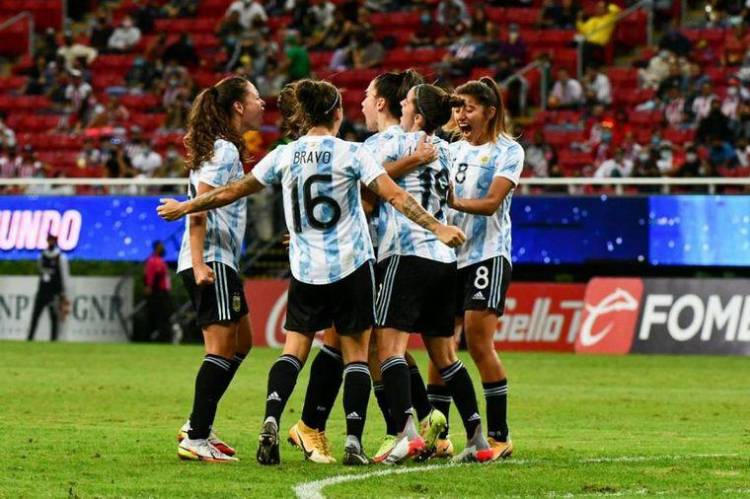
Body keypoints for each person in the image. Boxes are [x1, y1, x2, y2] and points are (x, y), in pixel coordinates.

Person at [157, 79, 466, 466]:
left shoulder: (286, 154)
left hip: (306, 269)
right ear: (337, 113)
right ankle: (354, 439)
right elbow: (395, 196)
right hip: (351, 265)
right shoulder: (352, 153)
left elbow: (231, 192)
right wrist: (437, 227)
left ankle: (271, 419)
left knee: (294, 351)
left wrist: (185, 207)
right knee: (356, 354)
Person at [372, 83, 497, 464]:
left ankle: (407, 432)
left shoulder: (396, 143)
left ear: (418, 115)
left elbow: (369, 182)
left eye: (407, 102)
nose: (401, 105)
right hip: (444, 261)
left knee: (388, 347)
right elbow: (447, 195)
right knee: (445, 355)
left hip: (405, 253)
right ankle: (478, 438)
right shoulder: (446, 150)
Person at [171, 76, 264, 463]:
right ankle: (196, 435)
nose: (263, 103)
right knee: (222, 347)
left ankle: (199, 424)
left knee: (243, 342)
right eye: (256, 97)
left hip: (220, 258)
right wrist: (198, 263)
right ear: (238, 106)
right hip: (210, 259)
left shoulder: (223, 148)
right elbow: (200, 205)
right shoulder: (224, 150)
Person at [439, 77, 523, 462]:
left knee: (476, 340)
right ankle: (437, 436)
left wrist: (452, 201)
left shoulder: (508, 151)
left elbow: (491, 203)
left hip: (486, 255)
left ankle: (500, 436)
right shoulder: (449, 150)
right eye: (457, 108)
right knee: (440, 343)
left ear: (489, 112)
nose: (461, 116)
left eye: (468, 108)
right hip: (446, 257)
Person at [27, 235, 70, 342]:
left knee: (54, 318)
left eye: (52, 240)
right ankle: (30, 338)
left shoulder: (60, 257)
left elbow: (64, 276)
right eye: (49, 240)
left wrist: (63, 293)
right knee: (35, 316)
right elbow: (40, 271)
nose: (51, 242)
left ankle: (53, 340)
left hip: (53, 293)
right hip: (42, 292)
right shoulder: (42, 256)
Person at [143, 241, 173, 342]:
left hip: (163, 292)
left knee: (164, 315)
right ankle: (155, 336)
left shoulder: (160, 260)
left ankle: (163, 337)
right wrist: (149, 286)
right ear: (156, 248)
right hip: (158, 292)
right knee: (158, 315)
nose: (163, 248)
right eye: (161, 247)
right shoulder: (153, 261)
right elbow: (151, 276)